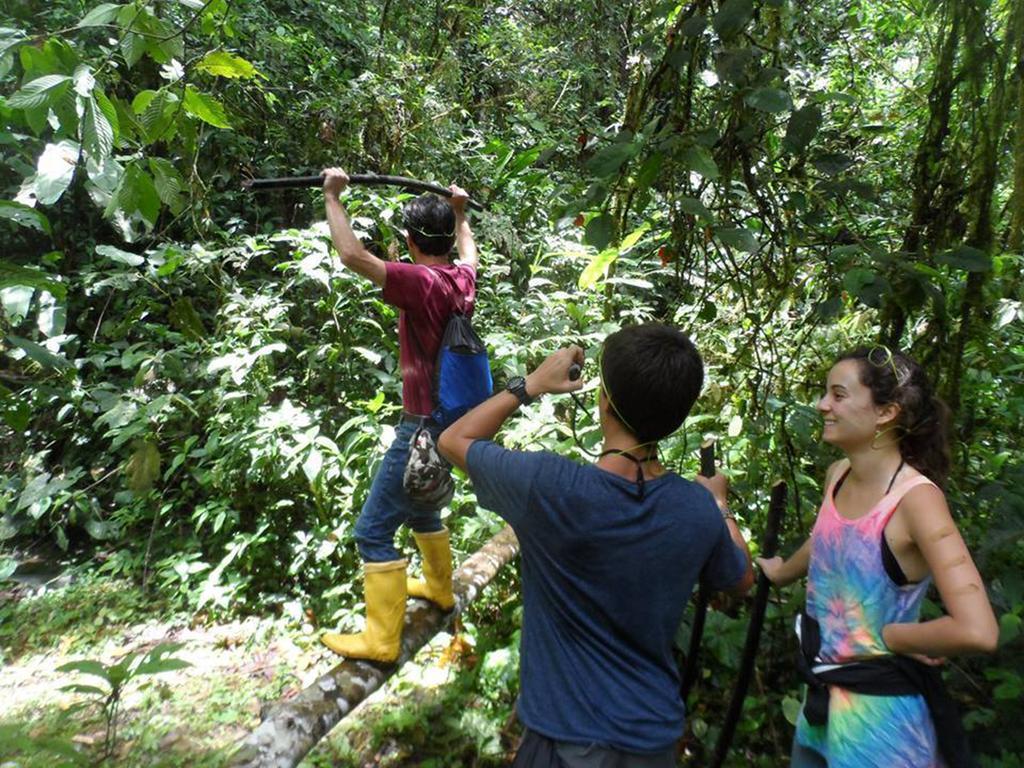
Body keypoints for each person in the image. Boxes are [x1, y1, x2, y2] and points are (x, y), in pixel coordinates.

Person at [438, 323, 755, 765]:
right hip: (653, 740)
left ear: (604, 401)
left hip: (563, 741)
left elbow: (454, 439)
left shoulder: (550, 487)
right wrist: (719, 504)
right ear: (677, 416)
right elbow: (741, 579)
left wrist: (530, 384)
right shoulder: (694, 508)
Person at [756, 346, 999, 768]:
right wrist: (781, 572)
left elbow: (978, 630)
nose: (822, 405)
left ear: (885, 412)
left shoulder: (916, 500)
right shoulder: (839, 474)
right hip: (821, 708)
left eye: (837, 394)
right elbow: (832, 543)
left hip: (881, 729)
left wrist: (898, 637)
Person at [319, 167, 478, 662]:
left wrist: (332, 196)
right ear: (447, 240)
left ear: (409, 242)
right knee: (424, 507)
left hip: (422, 425)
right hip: (452, 422)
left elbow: (351, 255)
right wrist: (461, 213)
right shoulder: (459, 279)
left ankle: (382, 640)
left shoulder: (419, 282)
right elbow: (470, 253)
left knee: (371, 531)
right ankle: (439, 589)